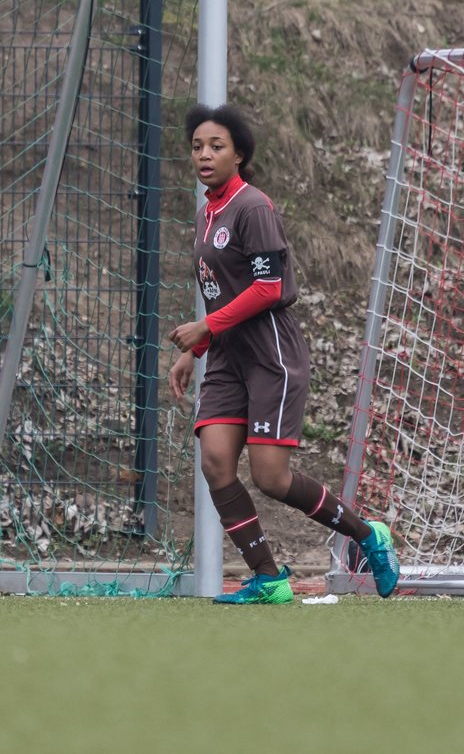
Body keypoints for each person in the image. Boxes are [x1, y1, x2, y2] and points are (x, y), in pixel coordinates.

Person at [168, 103, 400, 604]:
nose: (204, 155)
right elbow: (222, 292)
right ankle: (269, 579)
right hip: (228, 355)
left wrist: (206, 325)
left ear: (240, 154)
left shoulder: (253, 207)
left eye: (216, 147)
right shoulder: (208, 213)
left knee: (271, 477)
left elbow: (269, 288)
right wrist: (200, 347)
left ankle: (368, 536)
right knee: (215, 463)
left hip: (271, 352)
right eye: (197, 147)